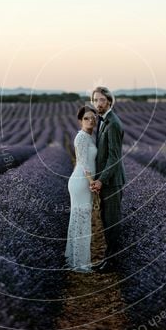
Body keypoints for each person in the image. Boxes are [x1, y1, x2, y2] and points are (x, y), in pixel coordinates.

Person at [89, 86, 126, 273]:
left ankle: (114, 262)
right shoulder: (104, 121)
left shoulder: (113, 123)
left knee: (112, 223)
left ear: (109, 101)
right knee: (105, 220)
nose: (98, 104)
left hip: (112, 182)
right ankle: (109, 259)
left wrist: (101, 180)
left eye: (102, 100)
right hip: (106, 180)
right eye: (95, 100)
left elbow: (114, 158)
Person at [65, 105, 98, 272]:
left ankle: (75, 259)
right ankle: (80, 263)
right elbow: (84, 164)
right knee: (82, 221)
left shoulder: (90, 137)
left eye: (93, 117)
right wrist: (92, 182)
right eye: (86, 118)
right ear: (80, 121)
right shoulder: (82, 138)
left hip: (82, 181)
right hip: (82, 182)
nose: (90, 120)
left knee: (79, 220)